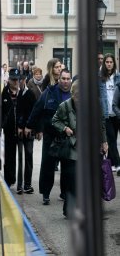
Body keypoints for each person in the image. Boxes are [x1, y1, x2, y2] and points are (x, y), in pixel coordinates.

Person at [52, 81, 108, 218]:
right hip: (73, 147)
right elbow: (55, 120)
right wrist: (65, 128)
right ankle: (69, 210)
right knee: (73, 181)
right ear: (72, 95)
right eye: (77, 96)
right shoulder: (64, 106)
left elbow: (101, 123)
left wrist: (104, 141)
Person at [25, 69, 72, 205]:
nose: (65, 81)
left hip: (68, 136)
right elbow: (37, 109)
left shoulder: (74, 93)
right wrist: (29, 125)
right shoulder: (49, 92)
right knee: (48, 165)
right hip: (51, 135)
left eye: (68, 79)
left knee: (68, 166)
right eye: (63, 78)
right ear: (59, 79)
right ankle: (46, 193)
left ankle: (65, 193)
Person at [99, 53, 120, 174]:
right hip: (106, 114)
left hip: (116, 113)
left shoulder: (118, 77)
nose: (109, 64)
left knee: (114, 139)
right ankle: (117, 164)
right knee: (111, 139)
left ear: (114, 63)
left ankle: (111, 162)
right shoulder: (100, 77)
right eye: (107, 62)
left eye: (111, 62)